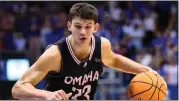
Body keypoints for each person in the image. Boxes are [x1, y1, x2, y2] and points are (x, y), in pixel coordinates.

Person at [12, 2, 167, 100]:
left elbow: (113, 60)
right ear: (69, 26)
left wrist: (145, 69)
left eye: (88, 27)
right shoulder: (55, 54)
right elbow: (18, 88)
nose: (83, 32)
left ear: (96, 28)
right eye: (78, 26)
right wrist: (46, 94)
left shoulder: (102, 46)